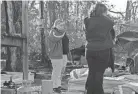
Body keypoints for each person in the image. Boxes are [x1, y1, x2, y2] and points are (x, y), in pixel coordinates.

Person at [84, 3, 114, 94]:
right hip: (103, 50)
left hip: (90, 50)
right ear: (103, 11)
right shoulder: (107, 22)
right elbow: (110, 25)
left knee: (92, 72)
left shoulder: (87, 20)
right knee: (99, 74)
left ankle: (89, 91)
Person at [47, 19, 67, 93]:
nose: (62, 27)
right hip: (55, 55)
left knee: (59, 72)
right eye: (60, 25)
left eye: (63, 25)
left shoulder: (58, 32)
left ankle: (58, 86)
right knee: (56, 71)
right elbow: (57, 37)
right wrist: (63, 32)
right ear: (56, 25)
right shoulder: (53, 32)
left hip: (60, 55)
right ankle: (54, 86)